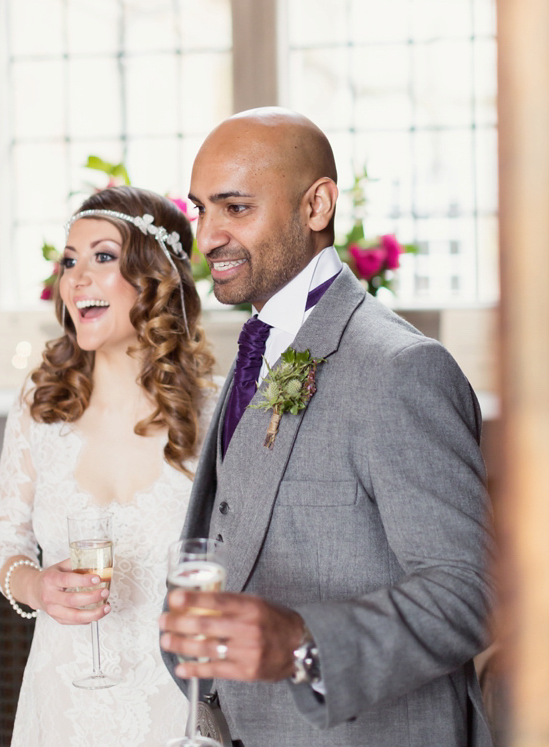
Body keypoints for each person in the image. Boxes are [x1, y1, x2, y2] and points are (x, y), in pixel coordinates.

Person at [158, 107, 493, 747]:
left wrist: (304, 646)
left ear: (317, 206)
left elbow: (470, 590)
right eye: (202, 210)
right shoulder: (260, 346)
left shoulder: (403, 369)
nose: (208, 237)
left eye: (236, 208)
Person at [0, 186, 217, 746]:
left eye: (102, 257)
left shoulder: (214, 414)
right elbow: (2, 544)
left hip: (172, 710)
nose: (76, 278)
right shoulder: (39, 403)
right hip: (60, 708)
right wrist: (38, 586)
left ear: (154, 277)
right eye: (69, 261)